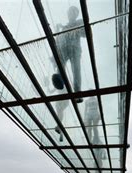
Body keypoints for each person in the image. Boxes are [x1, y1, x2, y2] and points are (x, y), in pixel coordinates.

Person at [52, 6, 86, 141]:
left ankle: (77, 93)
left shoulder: (79, 22)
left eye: (73, 12)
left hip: (75, 49)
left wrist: (75, 27)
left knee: (76, 69)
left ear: (76, 14)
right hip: (65, 49)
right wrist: (59, 30)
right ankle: (59, 78)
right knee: (61, 65)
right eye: (69, 12)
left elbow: (84, 33)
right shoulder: (65, 26)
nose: (70, 14)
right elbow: (59, 42)